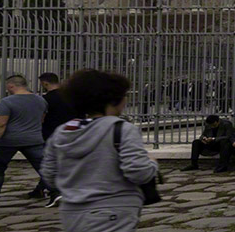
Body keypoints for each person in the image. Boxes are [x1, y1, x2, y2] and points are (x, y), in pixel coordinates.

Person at [40, 69, 159, 232]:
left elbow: (49, 175)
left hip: (71, 212)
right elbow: (139, 173)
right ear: (113, 100)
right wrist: (152, 164)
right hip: (114, 211)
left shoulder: (62, 132)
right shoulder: (122, 129)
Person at [0, 73, 53, 210]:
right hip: (34, 139)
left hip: (9, 141)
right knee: (44, 168)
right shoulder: (40, 100)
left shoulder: (7, 102)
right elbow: (41, 120)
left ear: (11, 85)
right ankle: (56, 192)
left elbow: (1, 124)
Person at [30, 72, 74, 200]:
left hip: (51, 133)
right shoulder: (71, 96)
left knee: (51, 163)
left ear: (45, 83)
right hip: (71, 132)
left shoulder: (46, 99)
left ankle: (52, 189)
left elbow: (41, 118)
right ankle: (41, 188)